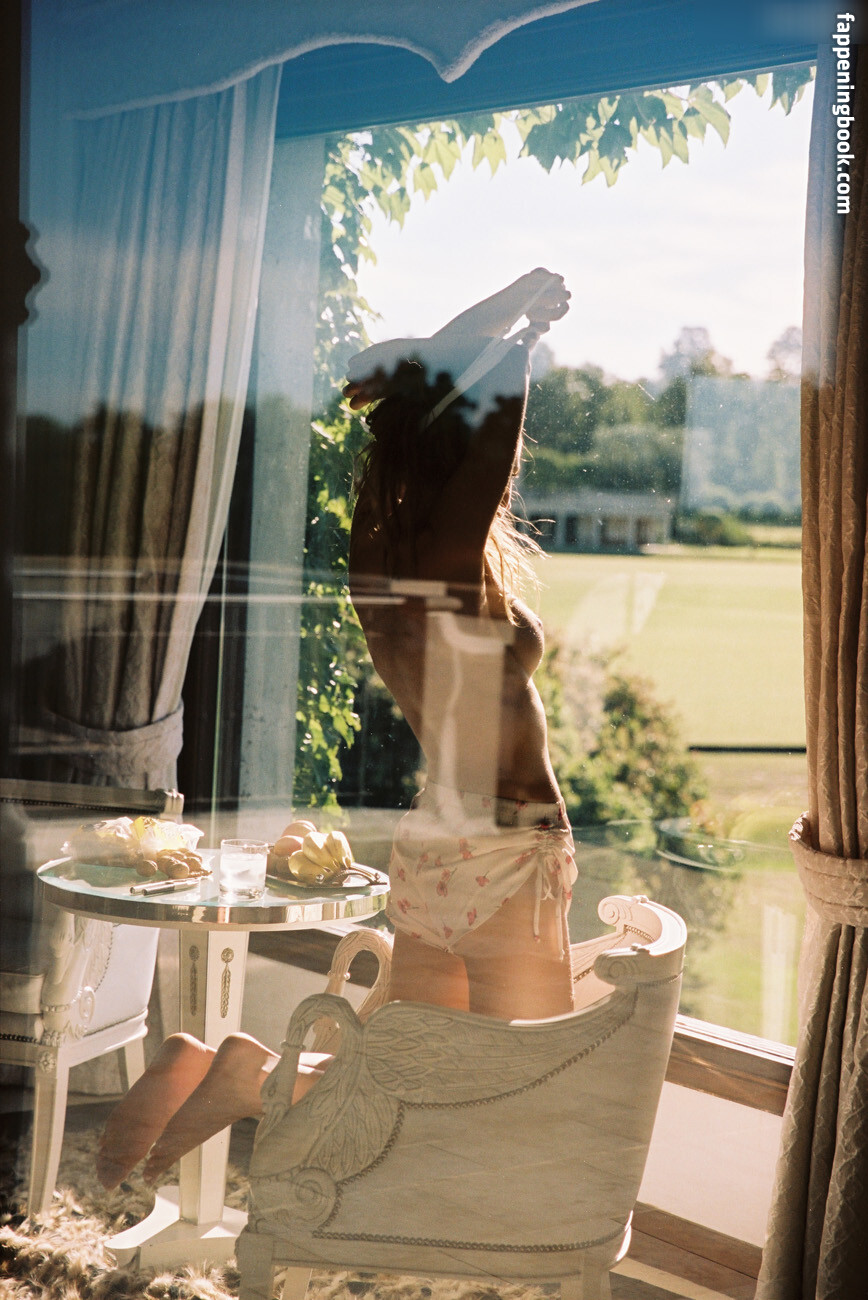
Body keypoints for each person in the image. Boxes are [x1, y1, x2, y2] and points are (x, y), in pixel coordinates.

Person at [95, 268, 575, 1192]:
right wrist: (523, 340)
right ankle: (248, 1079)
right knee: (517, 1085)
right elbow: (489, 404)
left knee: (405, 1076)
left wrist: (520, 305)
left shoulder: (378, 551)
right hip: (510, 847)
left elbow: (444, 373)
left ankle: (226, 1064)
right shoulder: (449, 558)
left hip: (435, 847)